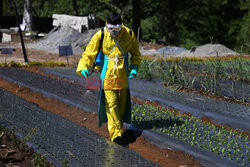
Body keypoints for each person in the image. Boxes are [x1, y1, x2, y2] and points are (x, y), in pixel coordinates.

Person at [76, 12, 141, 146]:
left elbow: (135, 53)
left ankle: (120, 127)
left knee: (122, 103)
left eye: (116, 29)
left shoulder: (128, 34)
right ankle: (116, 133)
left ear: (121, 26)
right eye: (111, 29)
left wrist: (134, 67)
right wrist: (84, 66)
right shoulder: (101, 35)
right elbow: (89, 52)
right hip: (108, 76)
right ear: (106, 25)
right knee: (111, 103)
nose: (113, 32)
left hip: (123, 75)